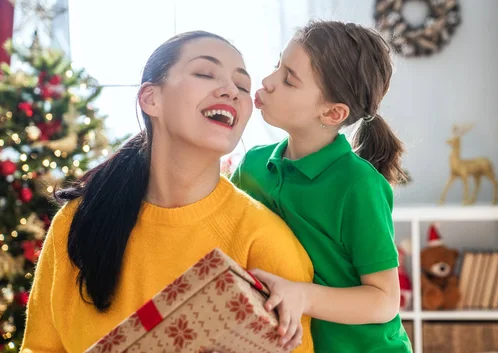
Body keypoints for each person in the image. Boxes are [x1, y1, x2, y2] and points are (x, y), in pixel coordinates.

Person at [21, 31, 314, 352]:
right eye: (204, 73)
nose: (232, 91)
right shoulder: (78, 221)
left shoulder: (266, 242)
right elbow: (40, 347)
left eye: (242, 86)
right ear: (151, 99)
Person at [232, 20, 413, 353]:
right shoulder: (253, 165)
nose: (269, 82)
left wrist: (302, 296)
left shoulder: (358, 185)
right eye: (277, 66)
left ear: (332, 113)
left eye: (289, 79)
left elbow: (385, 300)